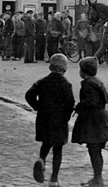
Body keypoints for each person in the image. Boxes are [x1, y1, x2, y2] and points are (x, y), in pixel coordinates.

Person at [25, 54, 75, 187]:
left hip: (44, 119)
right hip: (59, 121)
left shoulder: (42, 82)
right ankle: (54, 179)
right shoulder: (66, 84)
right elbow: (70, 103)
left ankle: (41, 160)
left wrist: (38, 107)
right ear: (65, 68)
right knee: (58, 150)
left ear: (50, 66)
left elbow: (29, 95)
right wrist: (66, 117)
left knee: (46, 143)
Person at [72, 57, 108, 187]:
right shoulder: (96, 82)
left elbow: (91, 102)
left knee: (94, 150)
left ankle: (98, 179)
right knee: (95, 150)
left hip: (94, 122)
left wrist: (78, 107)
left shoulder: (88, 84)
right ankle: (97, 178)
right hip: (100, 120)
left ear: (83, 71)